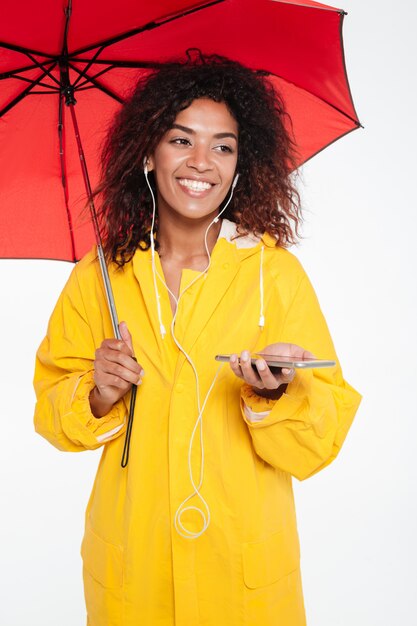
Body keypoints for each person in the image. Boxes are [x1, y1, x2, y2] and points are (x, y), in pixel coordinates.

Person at [34, 54, 361, 626]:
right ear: (147, 152)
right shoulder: (99, 278)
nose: (201, 163)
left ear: (242, 164)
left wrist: (272, 397)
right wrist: (98, 391)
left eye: (223, 146)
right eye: (181, 140)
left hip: (242, 571)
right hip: (135, 567)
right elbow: (52, 410)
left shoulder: (273, 276)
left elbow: (321, 437)